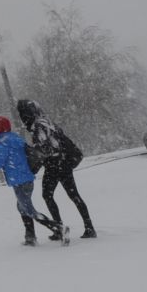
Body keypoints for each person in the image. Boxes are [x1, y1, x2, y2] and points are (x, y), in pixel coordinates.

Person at [0, 115, 69, 245]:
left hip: (18, 181)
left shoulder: (2, 144)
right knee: (22, 207)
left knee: (28, 209)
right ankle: (30, 237)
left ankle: (58, 228)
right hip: (27, 179)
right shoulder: (16, 138)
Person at [17, 99, 96, 239]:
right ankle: (89, 227)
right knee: (74, 196)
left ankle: (59, 228)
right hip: (64, 162)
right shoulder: (47, 121)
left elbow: (46, 149)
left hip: (54, 165)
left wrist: (33, 156)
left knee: (47, 196)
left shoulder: (38, 126)